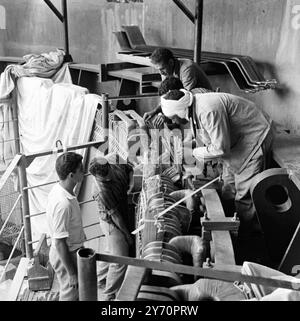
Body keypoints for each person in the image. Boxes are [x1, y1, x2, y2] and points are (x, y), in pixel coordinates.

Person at [160, 89, 274, 236]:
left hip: (255, 134)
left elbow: (220, 149)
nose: (173, 121)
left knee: (243, 195)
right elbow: (209, 137)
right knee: (228, 188)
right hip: (236, 141)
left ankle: (247, 238)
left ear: (180, 111)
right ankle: (230, 222)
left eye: (173, 118)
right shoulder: (194, 107)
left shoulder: (207, 111)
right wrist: (189, 146)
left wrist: (193, 152)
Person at [89, 153, 134, 301]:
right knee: (121, 258)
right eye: (104, 179)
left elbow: (129, 168)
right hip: (111, 223)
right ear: (96, 176)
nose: (108, 179)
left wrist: (131, 183)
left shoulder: (114, 159)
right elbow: (116, 217)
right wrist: (127, 236)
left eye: (109, 175)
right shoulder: (101, 190)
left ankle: (100, 278)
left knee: (112, 250)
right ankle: (109, 294)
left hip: (121, 210)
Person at [46, 152, 86, 301]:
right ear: (71, 175)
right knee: (70, 295)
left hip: (70, 251)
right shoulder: (63, 203)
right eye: (81, 169)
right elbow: (59, 242)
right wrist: (72, 273)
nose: (84, 171)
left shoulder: (62, 190)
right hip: (66, 254)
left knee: (75, 294)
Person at [144, 48, 213, 126]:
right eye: (158, 70)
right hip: (189, 104)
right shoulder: (166, 71)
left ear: (170, 62)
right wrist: (155, 111)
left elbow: (184, 99)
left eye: (162, 68)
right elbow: (166, 94)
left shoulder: (187, 68)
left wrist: (166, 114)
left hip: (203, 105)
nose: (161, 72)